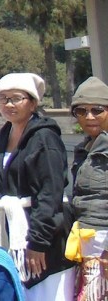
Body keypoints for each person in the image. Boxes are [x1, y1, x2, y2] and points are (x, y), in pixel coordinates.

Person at [0, 73, 72, 299]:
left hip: (44, 238)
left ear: (33, 102)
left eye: (16, 98)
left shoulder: (44, 137)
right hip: (14, 233)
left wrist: (38, 242)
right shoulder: (2, 135)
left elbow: (50, 193)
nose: (8, 104)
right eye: (3, 98)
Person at [68, 76, 108, 301]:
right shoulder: (85, 147)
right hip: (87, 245)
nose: (89, 117)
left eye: (97, 110)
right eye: (81, 111)